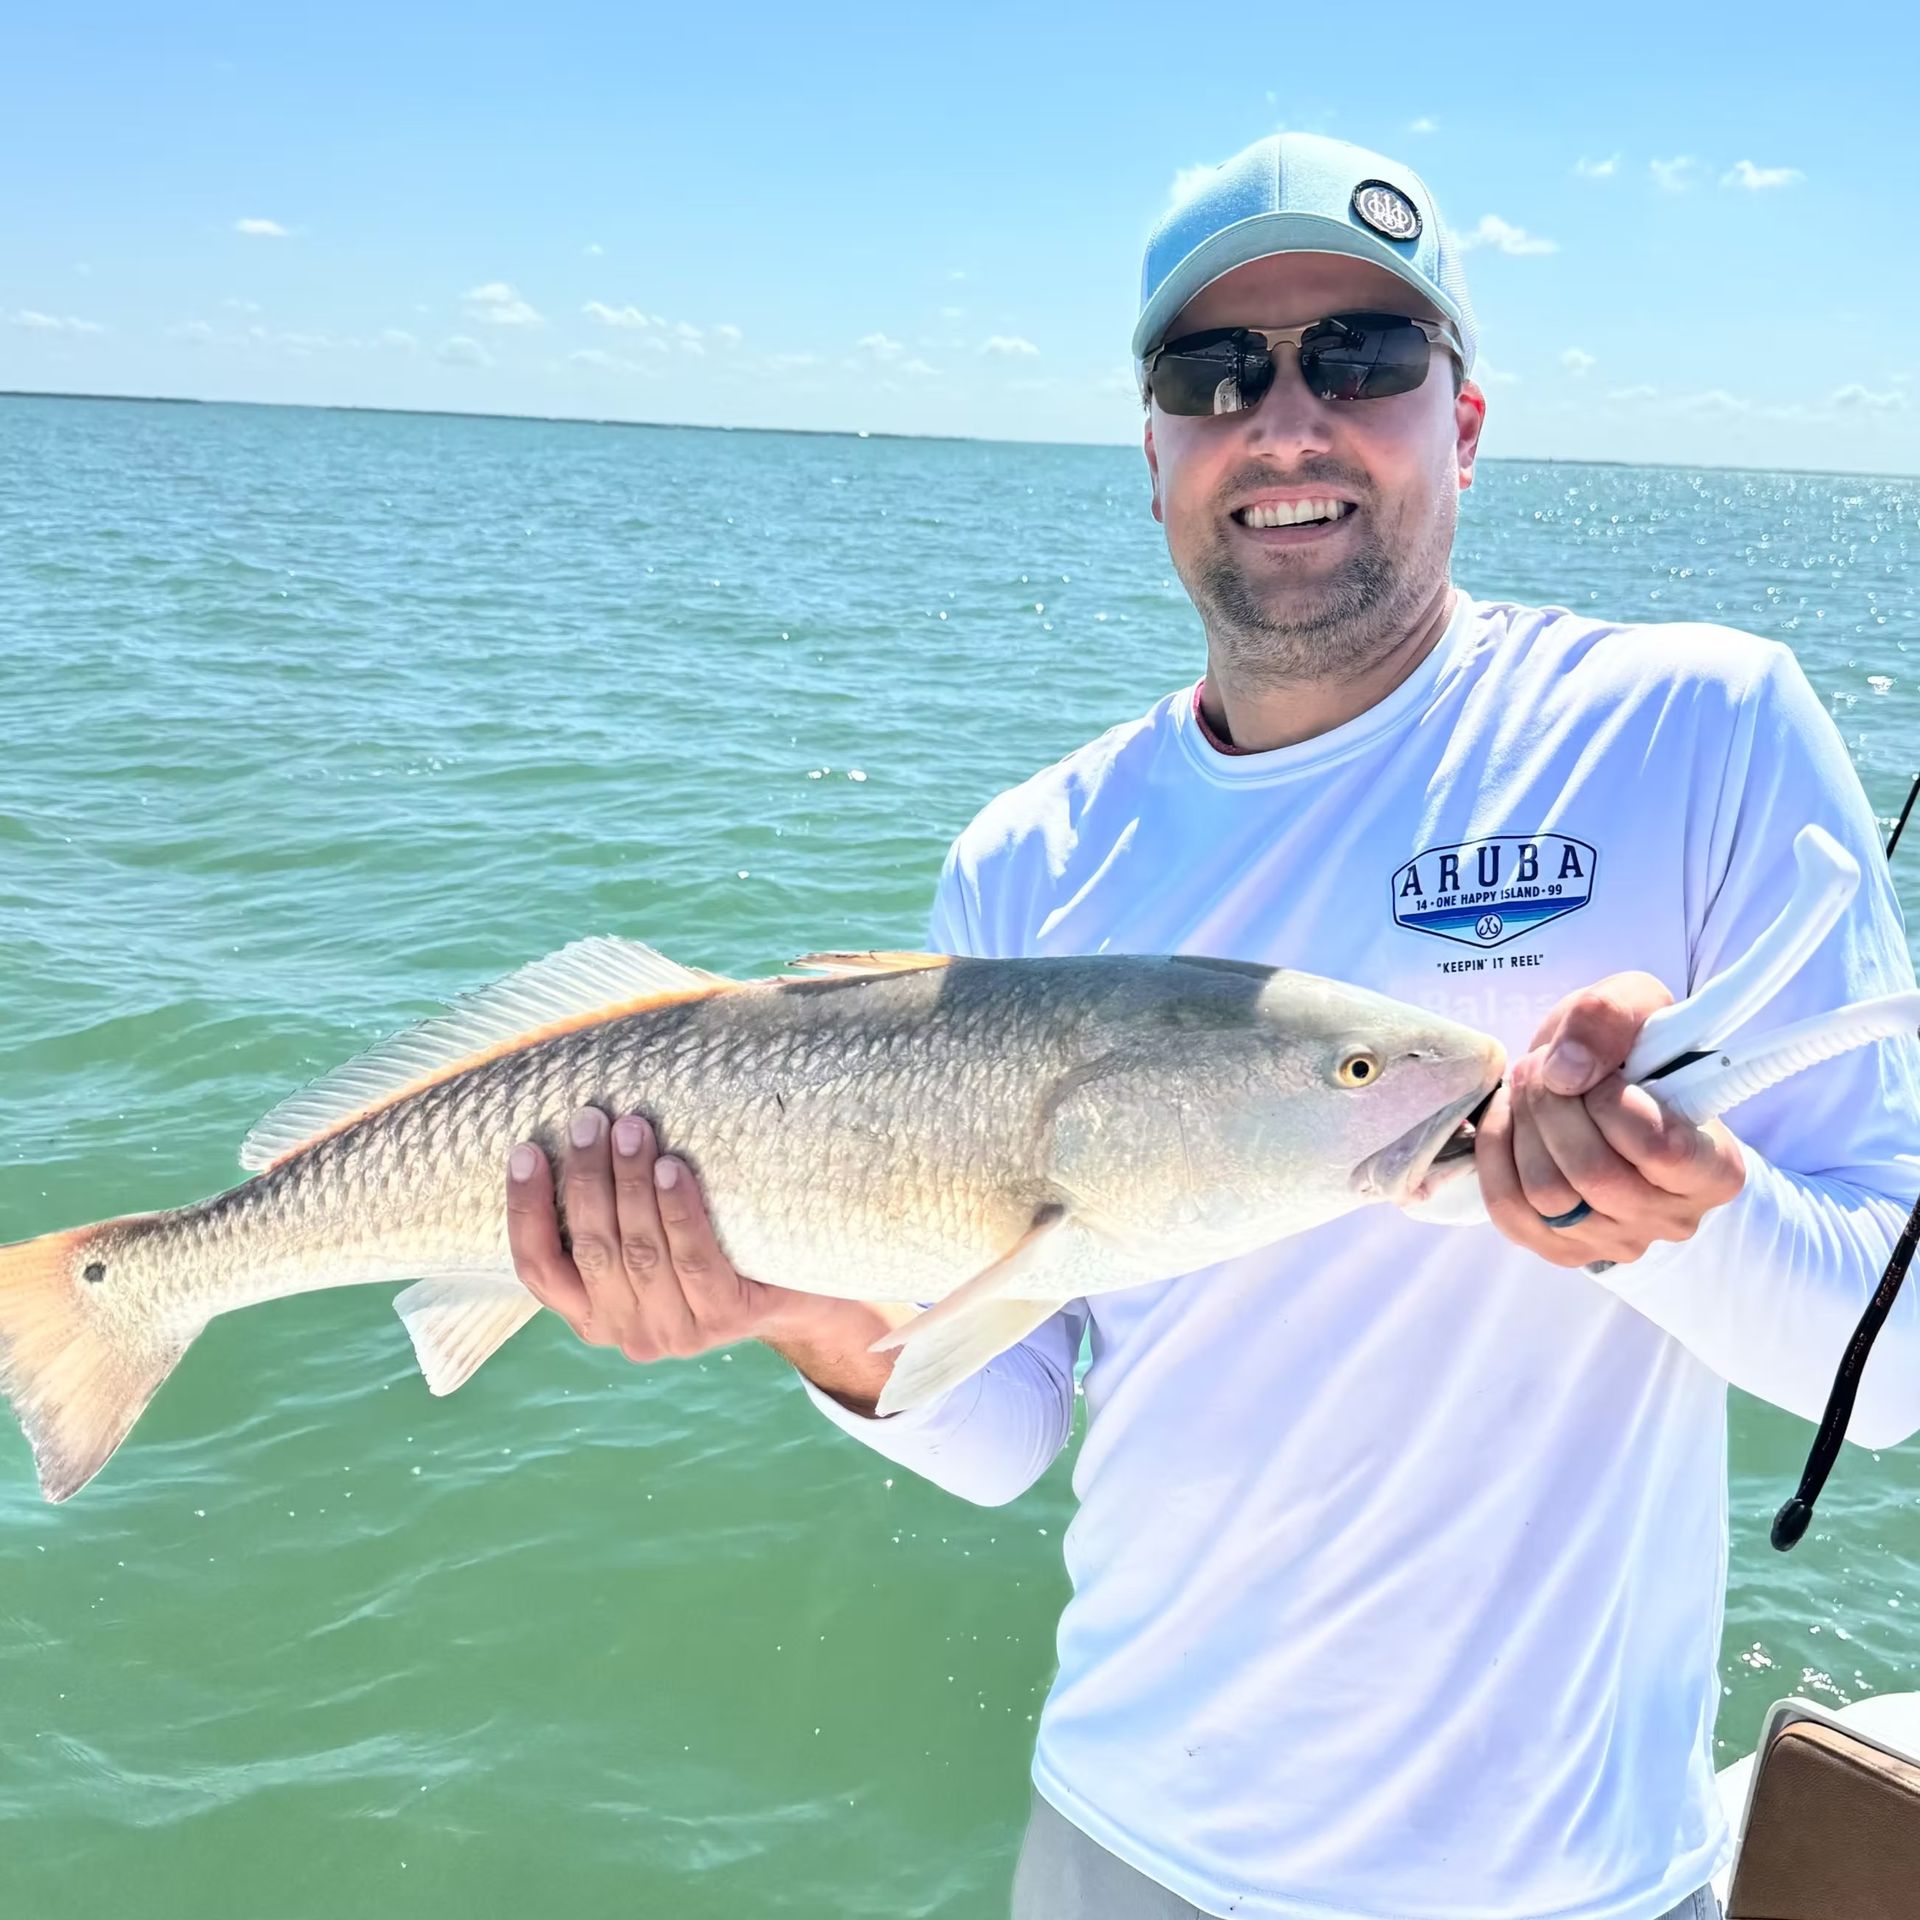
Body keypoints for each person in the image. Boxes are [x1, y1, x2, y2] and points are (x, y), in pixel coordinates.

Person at [500, 133, 1920, 1920]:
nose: (1288, 420)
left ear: (1464, 422)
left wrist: (1659, 1223)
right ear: (1157, 454)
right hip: (1119, 1842)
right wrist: (778, 1308)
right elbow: (1006, 1420)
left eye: (1364, 356)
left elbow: (1896, 1359)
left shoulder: (1692, 727)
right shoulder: (1029, 858)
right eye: (1214, 373)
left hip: (1556, 1885)